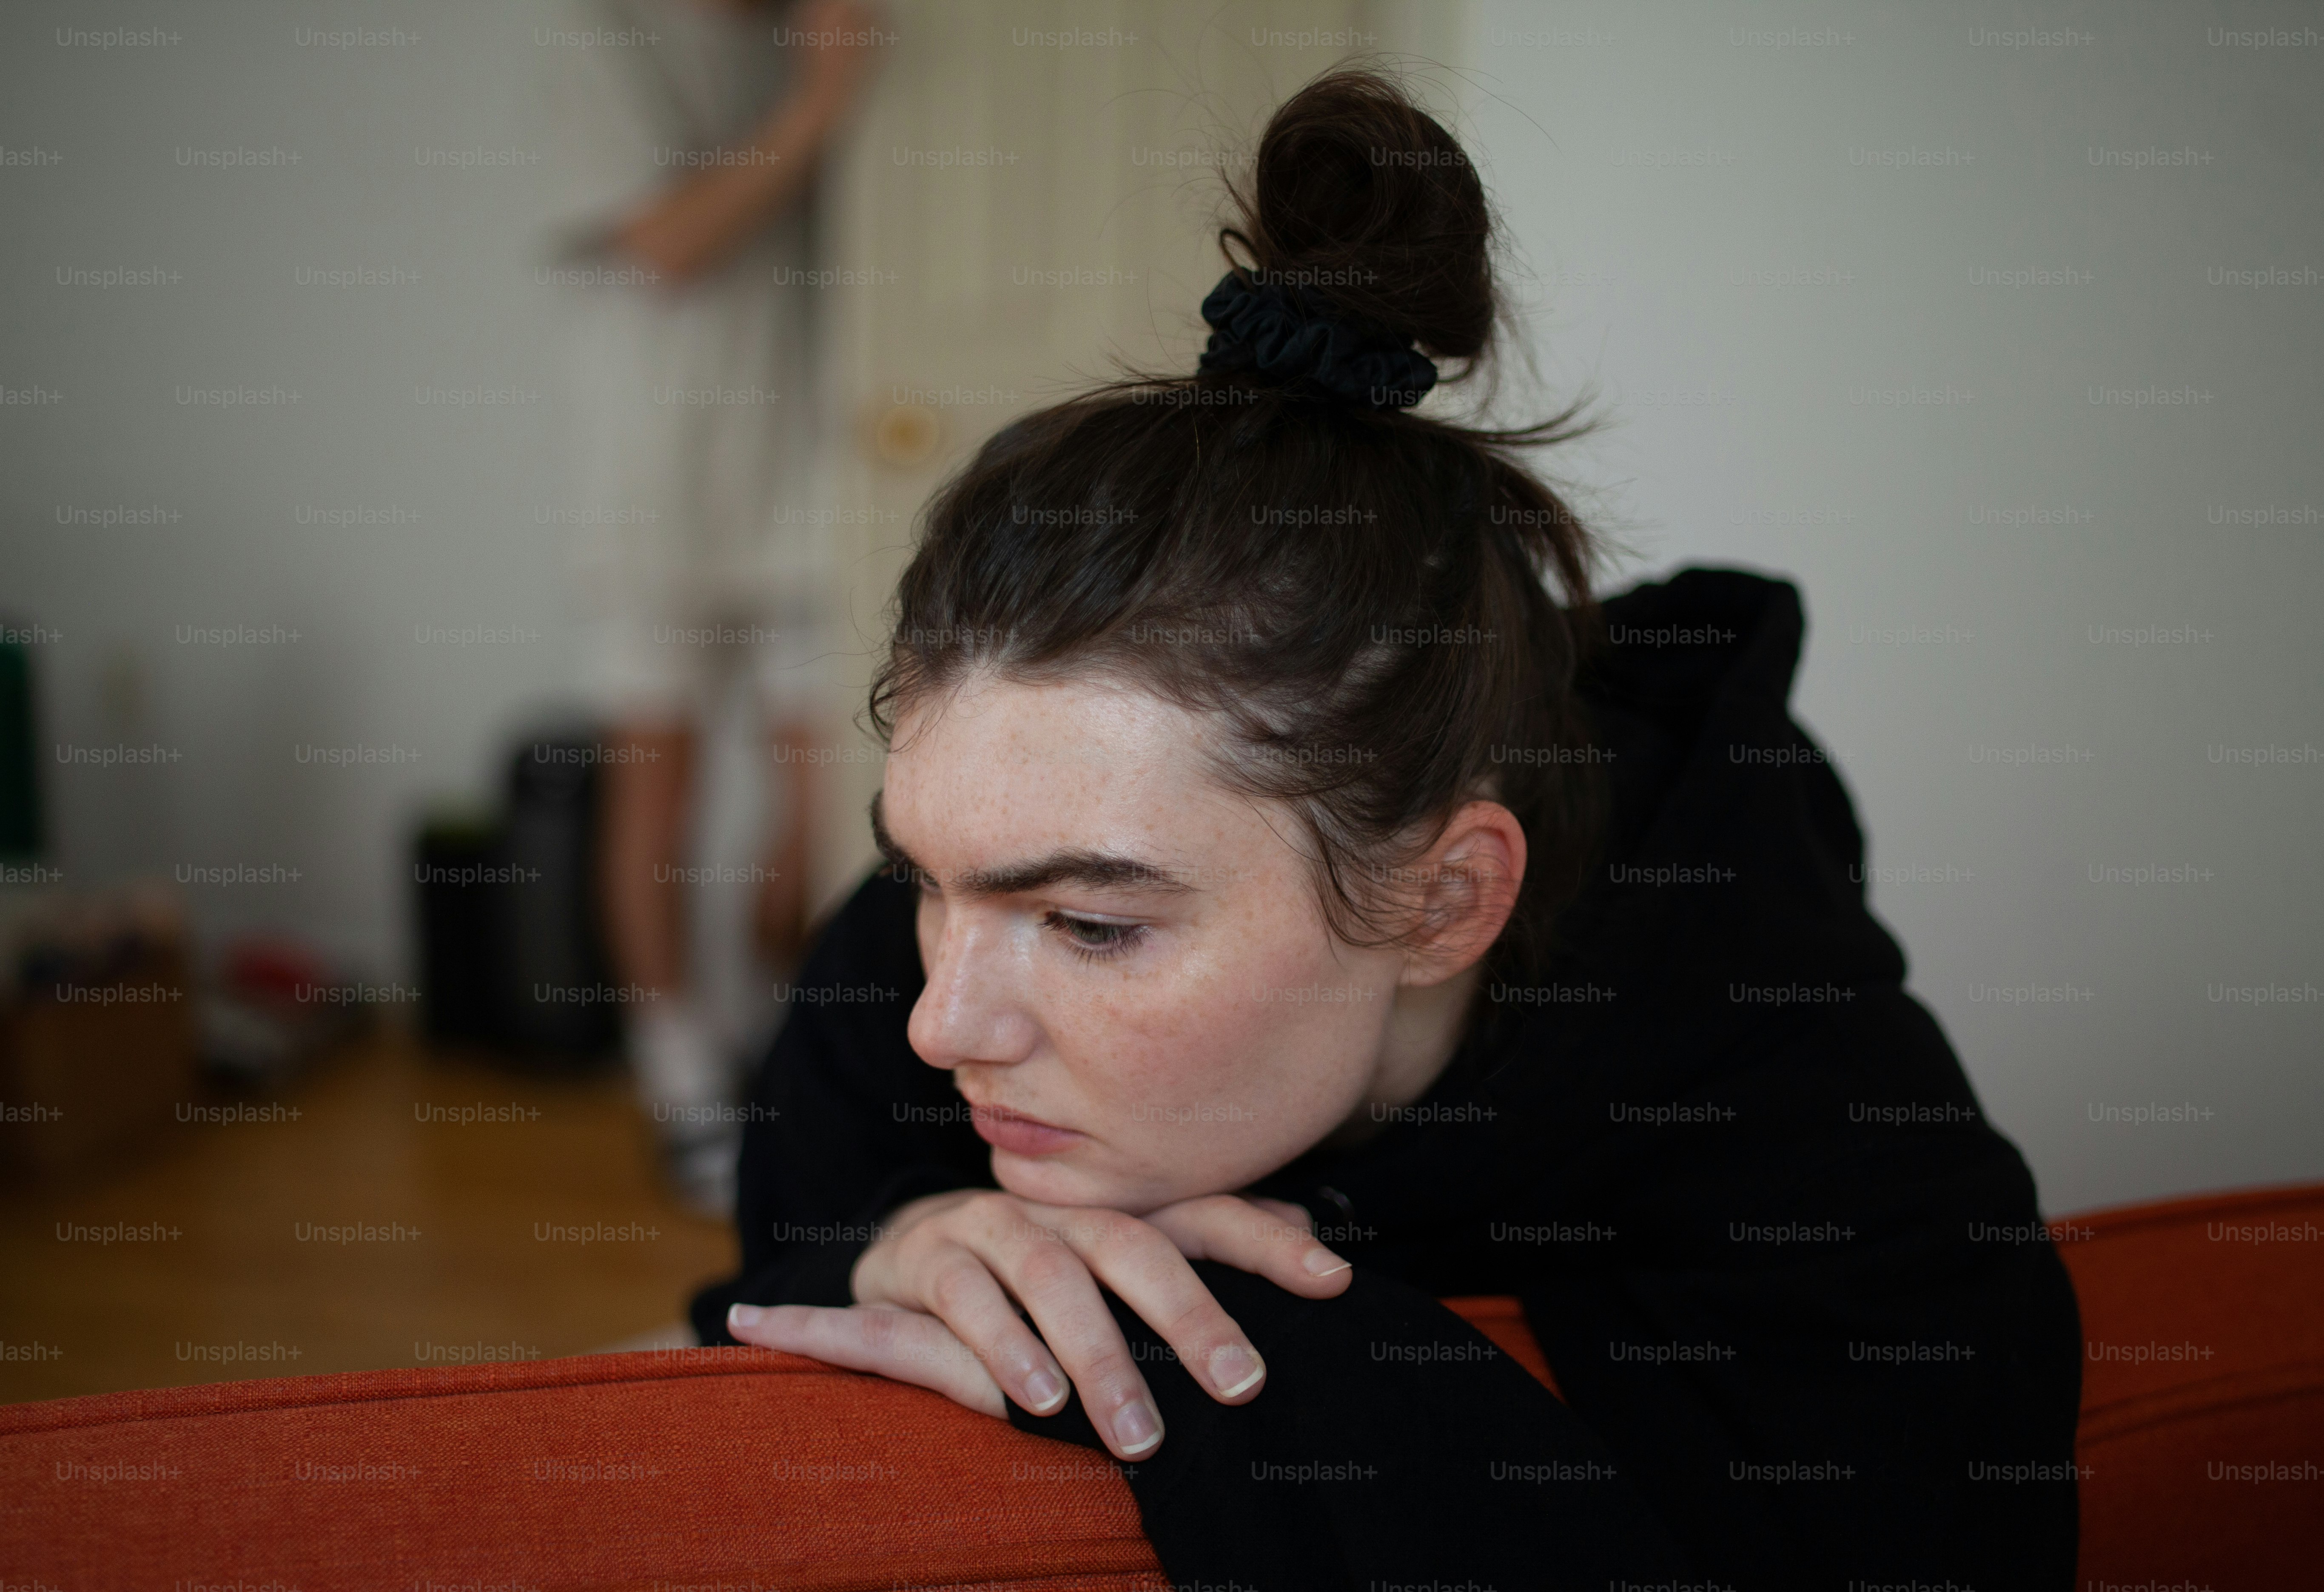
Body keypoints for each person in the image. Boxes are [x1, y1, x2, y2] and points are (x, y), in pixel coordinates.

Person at [690, 69, 2083, 1590]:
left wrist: (1281, 1338)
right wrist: (897, 1242)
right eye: (924, 877)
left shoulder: (1811, 1123)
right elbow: (777, 1264)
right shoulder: (899, 975)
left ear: (1445, 901)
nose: (942, 1025)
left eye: (1091, 925)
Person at [536, 0, 880, 1214]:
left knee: (830, 784)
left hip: (805, 462)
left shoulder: (820, 23)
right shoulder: (600, 29)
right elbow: (668, 241)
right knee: (660, 782)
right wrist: (821, 101)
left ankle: (779, 1046)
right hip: (653, 470)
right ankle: (678, 1074)